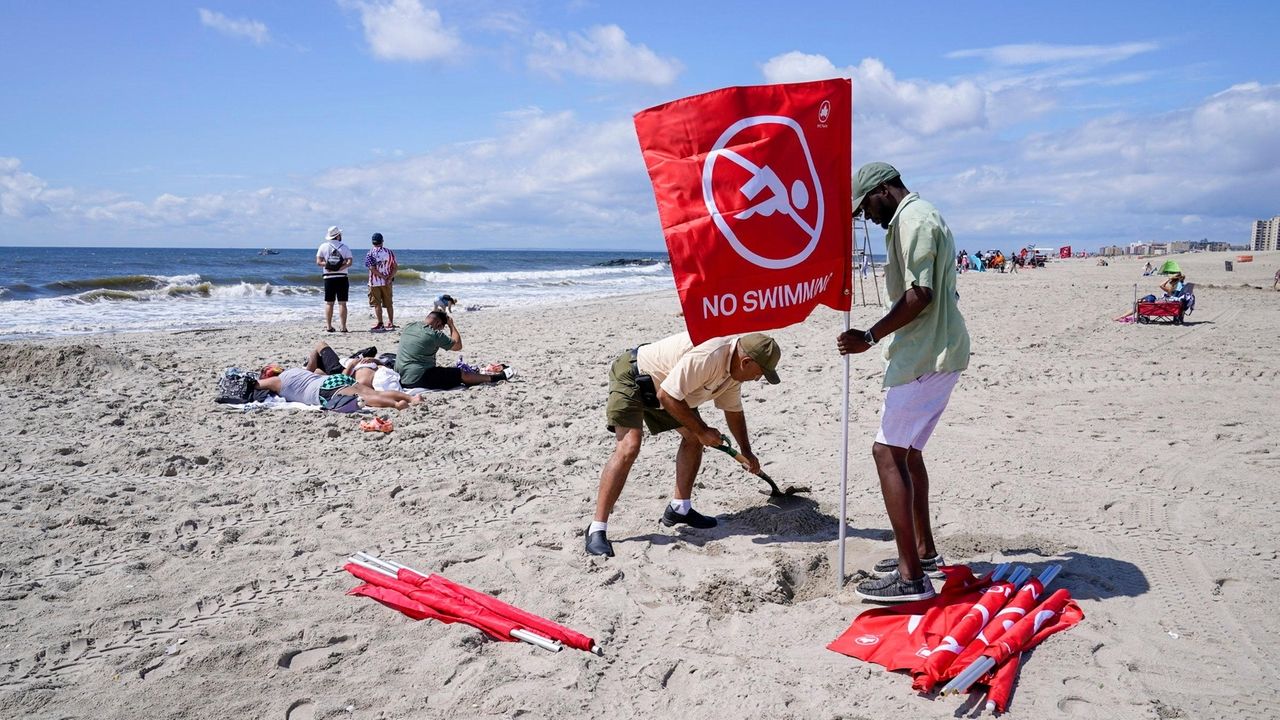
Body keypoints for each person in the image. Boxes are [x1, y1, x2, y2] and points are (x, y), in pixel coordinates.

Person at [836, 162, 971, 603]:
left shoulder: (914, 218)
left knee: (886, 453)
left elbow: (921, 293)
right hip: (934, 350)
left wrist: (870, 336)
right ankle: (923, 552)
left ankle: (912, 578)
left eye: (865, 208)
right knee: (908, 453)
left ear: (882, 190)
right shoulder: (914, 217)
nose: (866, 219)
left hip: (926, 354)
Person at [584, 332, 781, 558]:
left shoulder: (734, 372)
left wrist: (747, 451)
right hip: (635, 376)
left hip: (667, 390)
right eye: (759, 374)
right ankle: (596, 528)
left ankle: (680, 508)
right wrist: (702, 431)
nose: (758, 379)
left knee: (694, 439)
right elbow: (667, 396)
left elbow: (733, 411)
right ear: (746, 362)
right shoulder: (710, 356)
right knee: (629, 447)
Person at [254, 341, 421, 410]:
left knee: (365, 398)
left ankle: (396, 405)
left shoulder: (276, 382)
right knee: (373, 393)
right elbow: (313, 359)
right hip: (332, 379)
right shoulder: (297, 371)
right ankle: (411, 398)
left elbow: (256, 385)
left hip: (324, 390)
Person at [396, 310, 513, 390]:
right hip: (417, 379)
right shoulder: (434, 334)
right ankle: (498, 377)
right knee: (460, 374)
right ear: (438, 323)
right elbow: (457, 346)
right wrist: (451, 325)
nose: (441, 330)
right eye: (442, 327)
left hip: (401, 375)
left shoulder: (410, 326)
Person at [316, 226, 353, 333]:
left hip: (328, 278)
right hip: (342, 278)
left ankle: (328, 327)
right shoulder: (345, 247)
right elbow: (349, 262)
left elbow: (318, 262)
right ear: (338, 235)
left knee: (329, 303)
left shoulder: (323, 246)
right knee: (342, 303)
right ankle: (343, 327)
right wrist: (339, 268)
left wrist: (329, 268)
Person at [365, 232, 397, 332]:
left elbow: (372, 269)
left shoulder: (370, 253)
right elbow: (395, 267)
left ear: (372, 242)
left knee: (377, 304)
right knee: (389, 303)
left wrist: (382, 277)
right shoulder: (389, 252)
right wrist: (389, 277)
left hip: (374, 283)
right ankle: (391, 322)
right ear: (382, 241)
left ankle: (380, 323)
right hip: (387, 282)